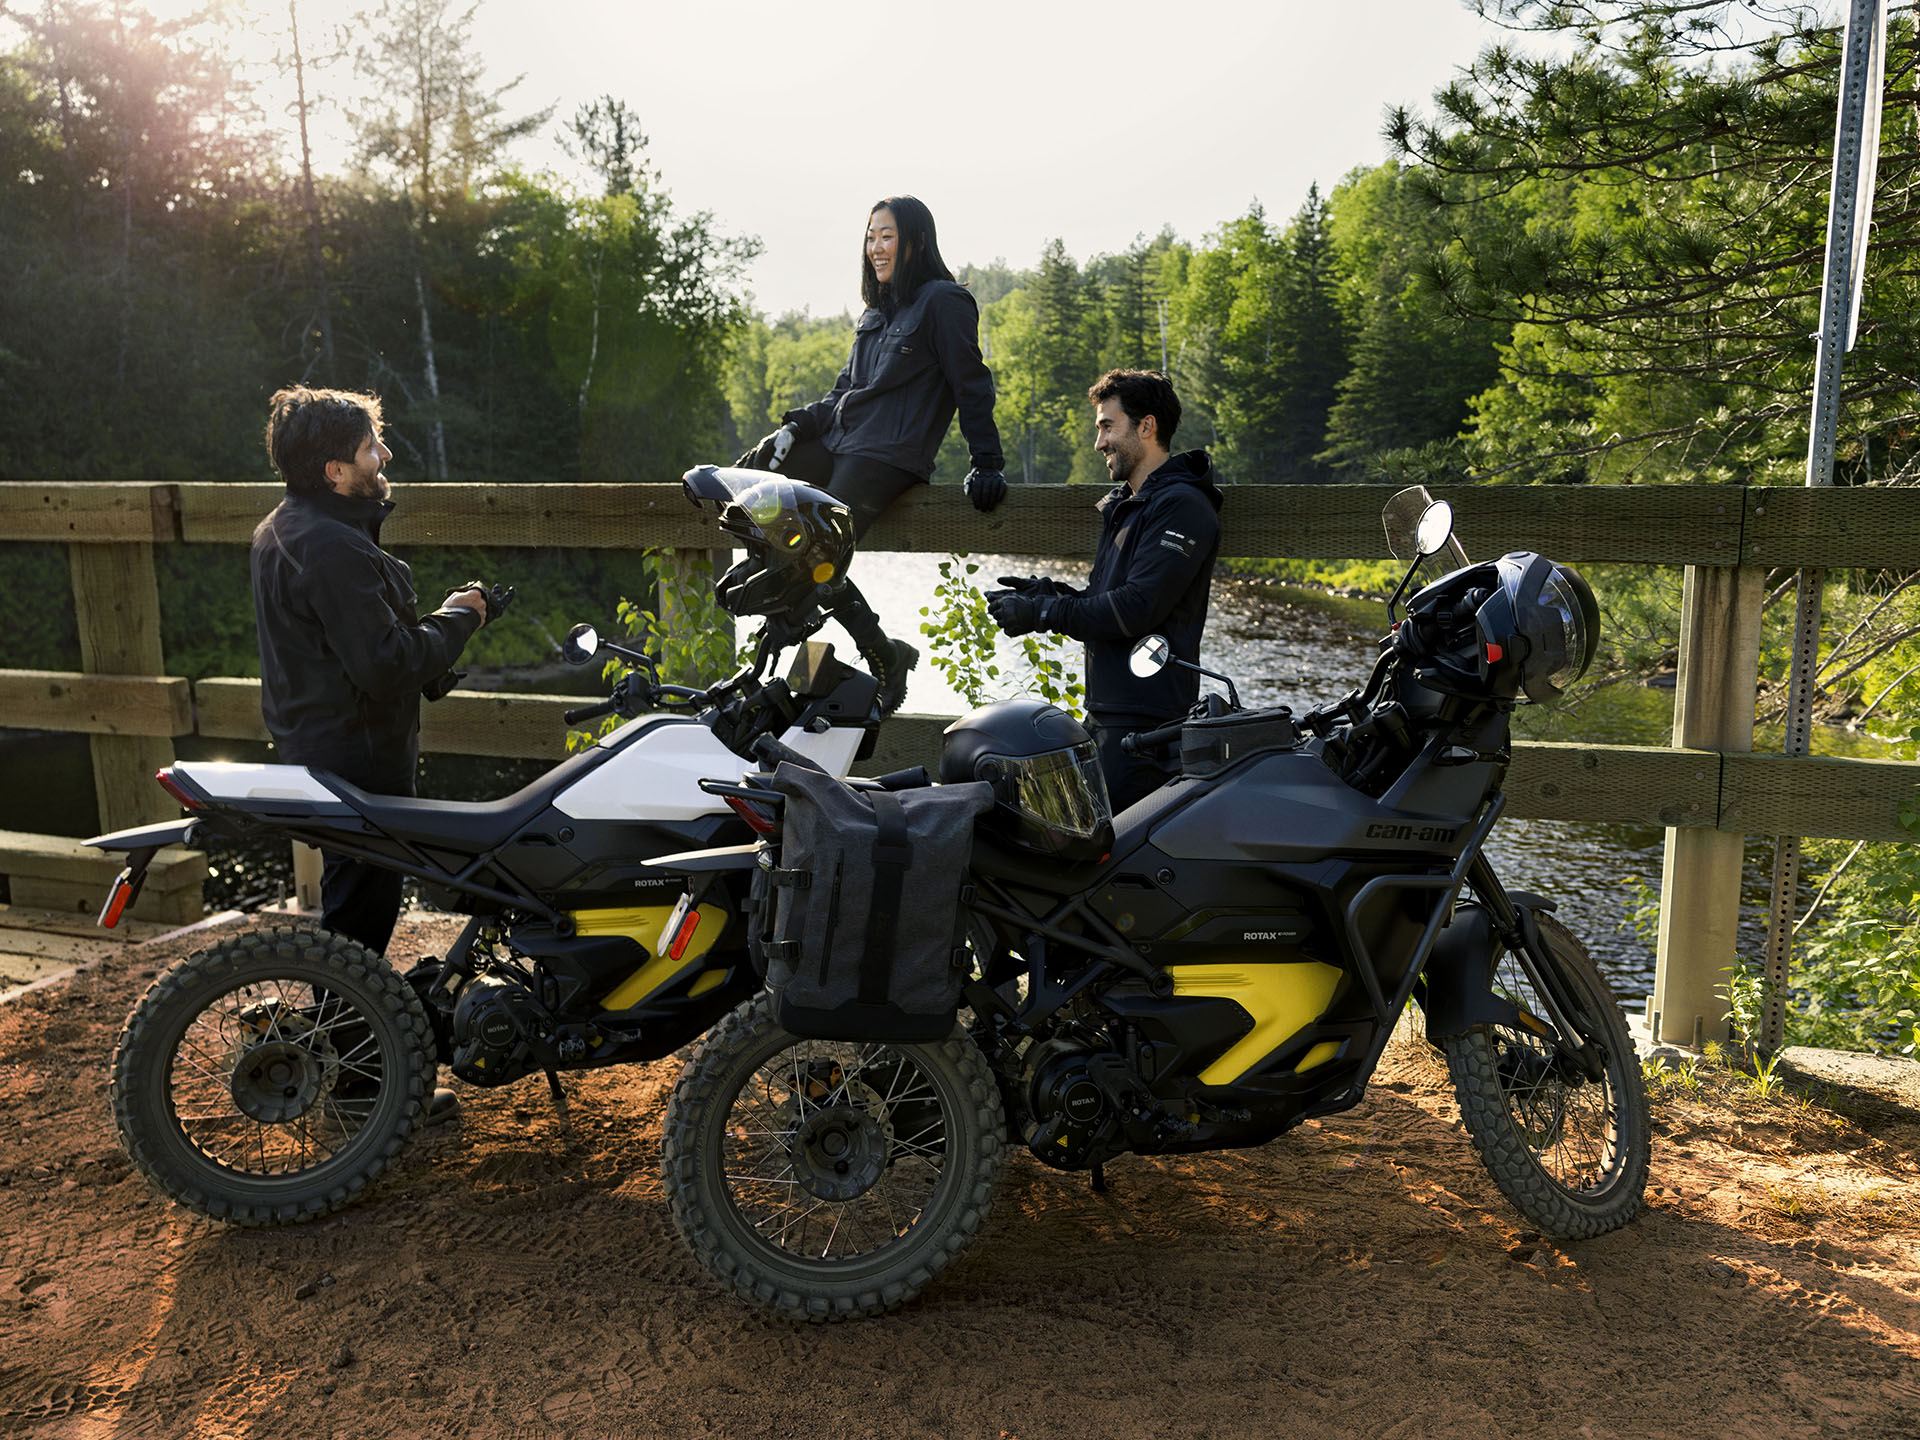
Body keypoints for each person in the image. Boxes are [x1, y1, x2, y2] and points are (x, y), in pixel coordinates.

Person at [737, 194, 1006, 716]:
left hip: (887, 454)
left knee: (817, 548)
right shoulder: (876, 312)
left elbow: (971, 385)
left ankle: (807, 663)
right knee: (753, 497)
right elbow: (844, 390)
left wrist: (987, 461)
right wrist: (794, 427)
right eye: (870, 237)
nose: (876, 248)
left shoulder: (944, 301)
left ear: (915, 242)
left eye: (887, 237)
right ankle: (876, 650)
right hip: (839, 439)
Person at [252, 386, 491, 959]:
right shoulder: (331, 546)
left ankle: (341, 1032)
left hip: (320, 743)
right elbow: (387, 665)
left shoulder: (286, 525)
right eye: (370, 448)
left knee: (355, 904)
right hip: (357, 760)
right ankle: (344, 1039)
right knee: (361, 920)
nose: (384, 455)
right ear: (335, 470)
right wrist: (459, 619)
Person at [985, 369, 1222, 811]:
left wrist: (1042, 614)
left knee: (1109, 861)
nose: (1099, 443)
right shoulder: (1128, 505)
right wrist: (1046, 595)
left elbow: (1136, 609)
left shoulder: (1182, 506)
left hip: (1148, 726)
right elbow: (1105, 600)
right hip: (1110, 715)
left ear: (1146, 427)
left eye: (1107, 426)